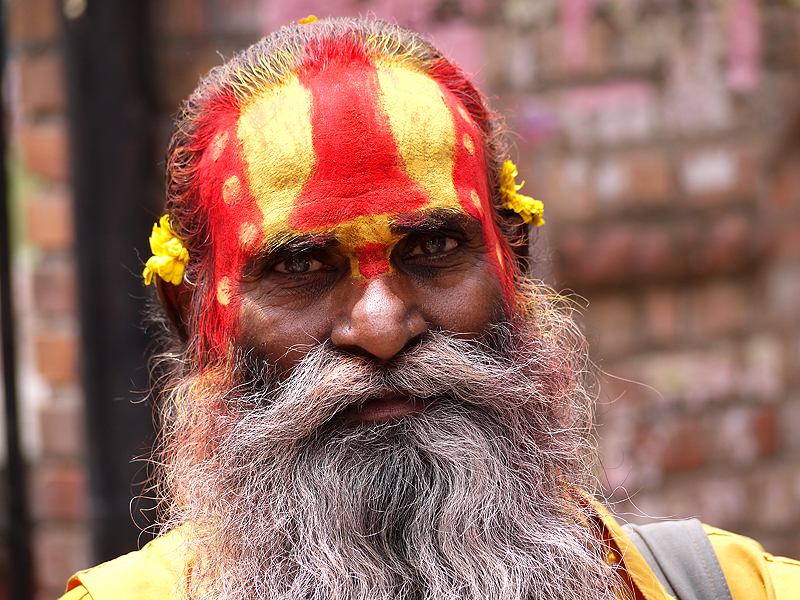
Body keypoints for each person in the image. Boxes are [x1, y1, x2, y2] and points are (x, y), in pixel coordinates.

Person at [61, 17, 799, 600]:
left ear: (513, 262)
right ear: (199, 319)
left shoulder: (737, 589)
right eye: (300, 265)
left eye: (434, 247)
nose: (382, 327)